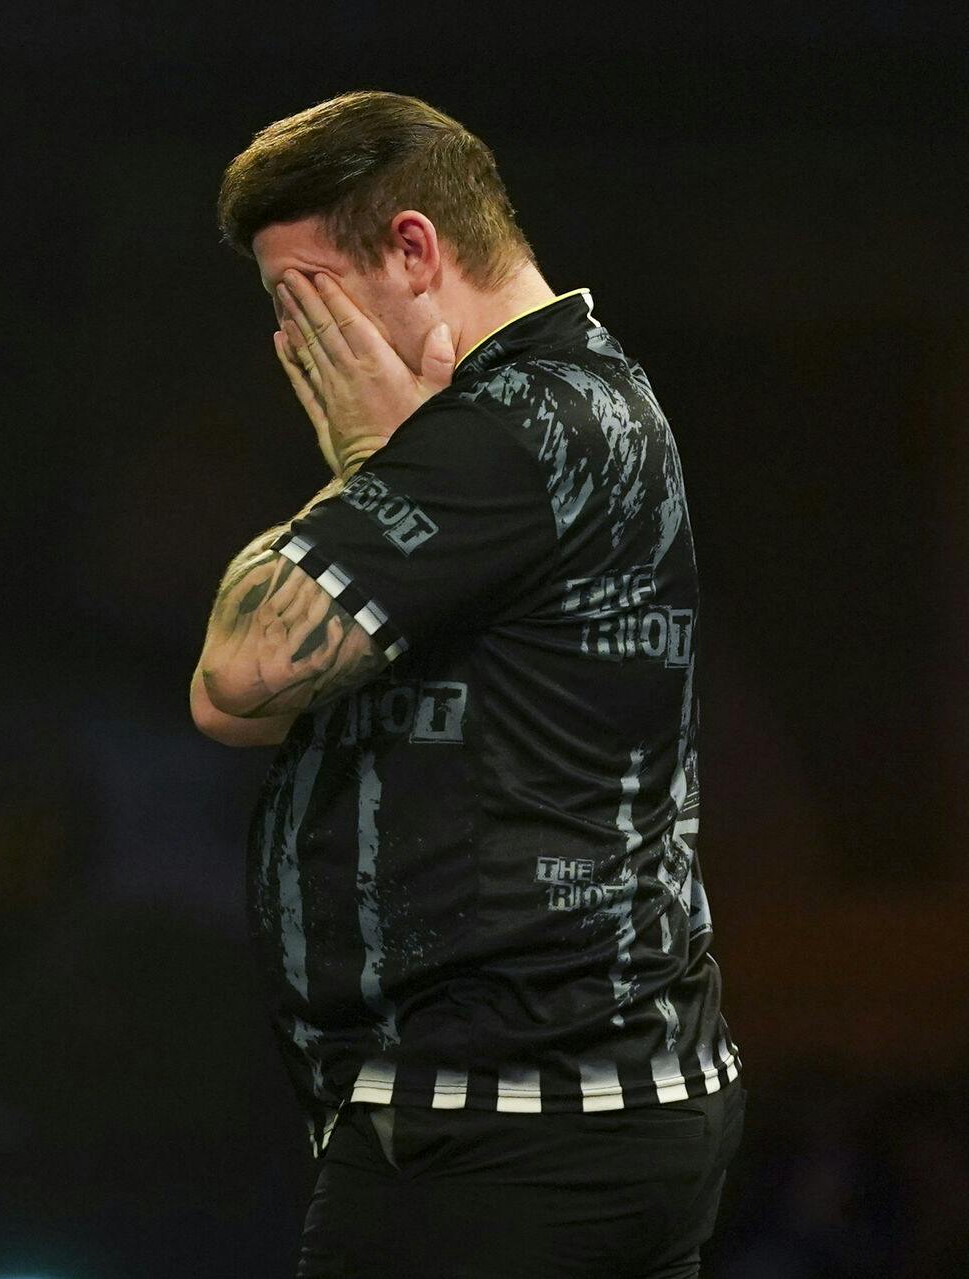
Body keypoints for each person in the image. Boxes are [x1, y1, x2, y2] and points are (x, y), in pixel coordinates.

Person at [192, 91, 743, 1278]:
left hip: (503, 1134)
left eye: (307, 302)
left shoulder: (510, 428)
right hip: (585, 1108)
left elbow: (231, 677)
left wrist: (365, 466)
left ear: (411, 250)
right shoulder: (573, 400)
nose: (294, 348)